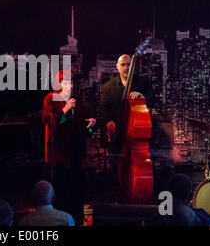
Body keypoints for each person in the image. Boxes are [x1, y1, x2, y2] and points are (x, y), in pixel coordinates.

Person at [42, 70, 96, 225]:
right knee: (61, 189)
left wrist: (91, 124)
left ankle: (76, 220)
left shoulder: (77, 100)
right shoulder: (51, 98)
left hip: (77, 154)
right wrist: (64, 111)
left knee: (77, 190)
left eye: (70, 82)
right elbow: (49, 122)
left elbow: (86, 129)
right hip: (59, 154)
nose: (69, 85)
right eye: (65, 82)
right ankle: (59, 221)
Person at [98, 54, 153, 155]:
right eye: (123, 65)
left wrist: (142, 96)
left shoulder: (143, 82)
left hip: (137, 133)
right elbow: (103, 108)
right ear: (117, 66)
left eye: (129, 64)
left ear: (133, 66)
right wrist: (109, 121)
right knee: (115, 166)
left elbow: (152, 100)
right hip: (116, 134)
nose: (126, 67)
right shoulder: (108, 87)